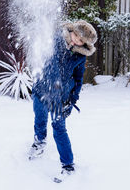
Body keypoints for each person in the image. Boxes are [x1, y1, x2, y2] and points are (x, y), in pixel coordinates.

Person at [28, 19, 98, 177]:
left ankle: (68, 165)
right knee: (39, 117)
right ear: (72, 30)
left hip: (61, 99)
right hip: (41, 90)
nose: (76, 41)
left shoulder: (80, 57)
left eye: (81, 41)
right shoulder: (55, 41)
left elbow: (78, 79)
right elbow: (46, 62)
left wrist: (72, 100)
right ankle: (39, 141)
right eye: (76, 36)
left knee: (59, 129)